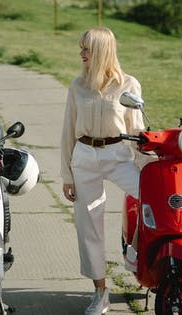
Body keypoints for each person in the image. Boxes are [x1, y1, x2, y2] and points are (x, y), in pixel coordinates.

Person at [60, 26, 145, 315]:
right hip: (84, 157)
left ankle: (135, 253)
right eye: (81, 47)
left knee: (153, 200)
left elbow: (137, 131)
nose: (81, 53)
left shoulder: (129, 85)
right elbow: (67, 132)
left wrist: (152, 167)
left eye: (87, 48)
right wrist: (66, 176)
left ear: (102, 52)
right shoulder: (77, 86)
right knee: (89, 227)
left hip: (119, 156)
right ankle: (100, 292)